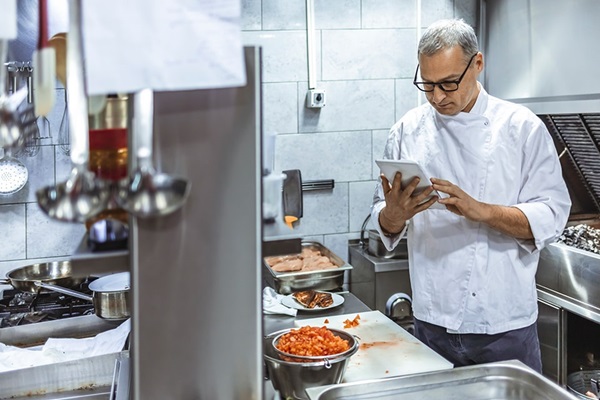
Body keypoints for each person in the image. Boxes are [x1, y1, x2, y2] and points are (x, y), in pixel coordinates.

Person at [371, 18, 571, 373]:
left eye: (449, 83)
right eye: (428, 85)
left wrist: (483, 211)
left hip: (504, 327)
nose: (437, 97)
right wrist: (393, 216)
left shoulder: (521, 128)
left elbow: (553, 215)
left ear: (477, 64)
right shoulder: (406, 131)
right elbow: (383, 220)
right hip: (431, 321)